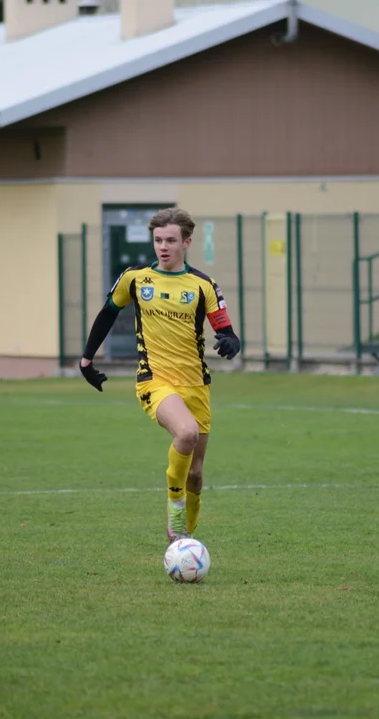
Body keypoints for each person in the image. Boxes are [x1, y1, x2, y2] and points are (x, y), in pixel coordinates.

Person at [79, 208, 240, 544]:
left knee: (195, 474)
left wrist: (230, 340)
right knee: (186, 433)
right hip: (154, 380)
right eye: (158, 240)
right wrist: (86, 359)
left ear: (186, 243)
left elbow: (224, 327)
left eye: (170, 240)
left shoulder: (202, 285)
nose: (163, 246)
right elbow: (108, 313)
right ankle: (175, 516)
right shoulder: (135, 278)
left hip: (196, 385)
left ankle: (185, 543)